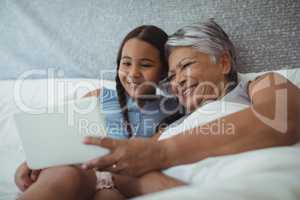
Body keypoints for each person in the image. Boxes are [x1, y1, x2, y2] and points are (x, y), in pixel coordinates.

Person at [81, 19, 300, 198]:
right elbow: (131, 171)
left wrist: (163, 153)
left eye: (185, 66)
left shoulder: (262, 84)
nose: (177, 82)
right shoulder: (169, 126)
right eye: (172, 76)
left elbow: (280, 120)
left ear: (223, 62)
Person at [14, 25, 180, 200]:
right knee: (61, 177)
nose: (133, 73)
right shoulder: (98, 97)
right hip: (79, 170)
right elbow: (59, 137)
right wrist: (31, 162)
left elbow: (154, 152)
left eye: (145, 65)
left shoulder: (171, 109)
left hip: (120, 181)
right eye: (126, 63)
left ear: (164, 70)